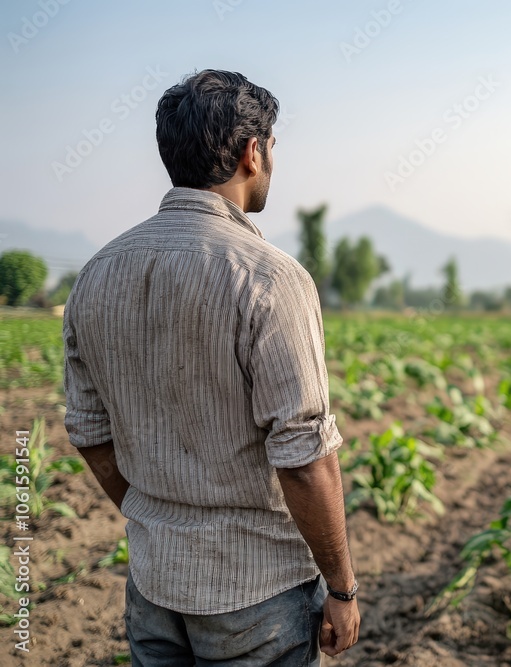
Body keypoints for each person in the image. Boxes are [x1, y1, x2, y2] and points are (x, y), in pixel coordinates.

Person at [62, 69, 360, 665]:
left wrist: (161, 518)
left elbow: (90, 436)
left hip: (152, 585)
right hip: (258, 594)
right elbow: (303, 461)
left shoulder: (97, 274)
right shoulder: (270, 278)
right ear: (253, 152)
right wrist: (343, 588)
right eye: (272, 147)